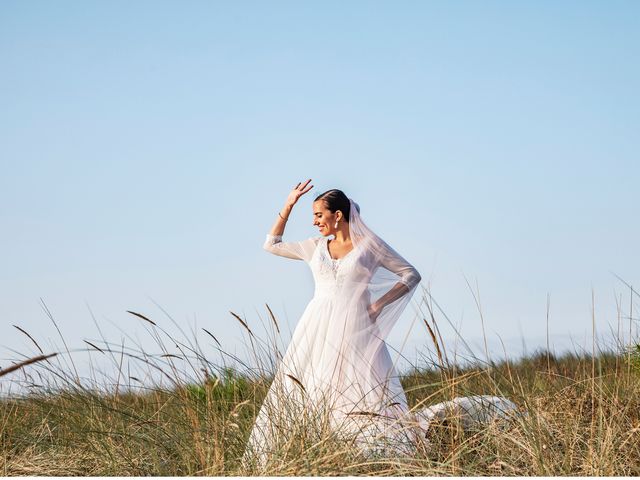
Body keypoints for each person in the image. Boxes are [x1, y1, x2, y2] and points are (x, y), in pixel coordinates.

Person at [242, 179, 428, 468]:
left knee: (362, 392)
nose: (315, 222)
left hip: (357, 330)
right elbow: (271, 244)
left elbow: (410, 275)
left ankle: (373, 458)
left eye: (319, 215)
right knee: (311, 387)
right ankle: (316, 456)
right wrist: (288, 204)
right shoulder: (314, 246)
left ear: (337, 215)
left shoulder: (369, 247)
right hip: (316, 327)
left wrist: (378, 304)